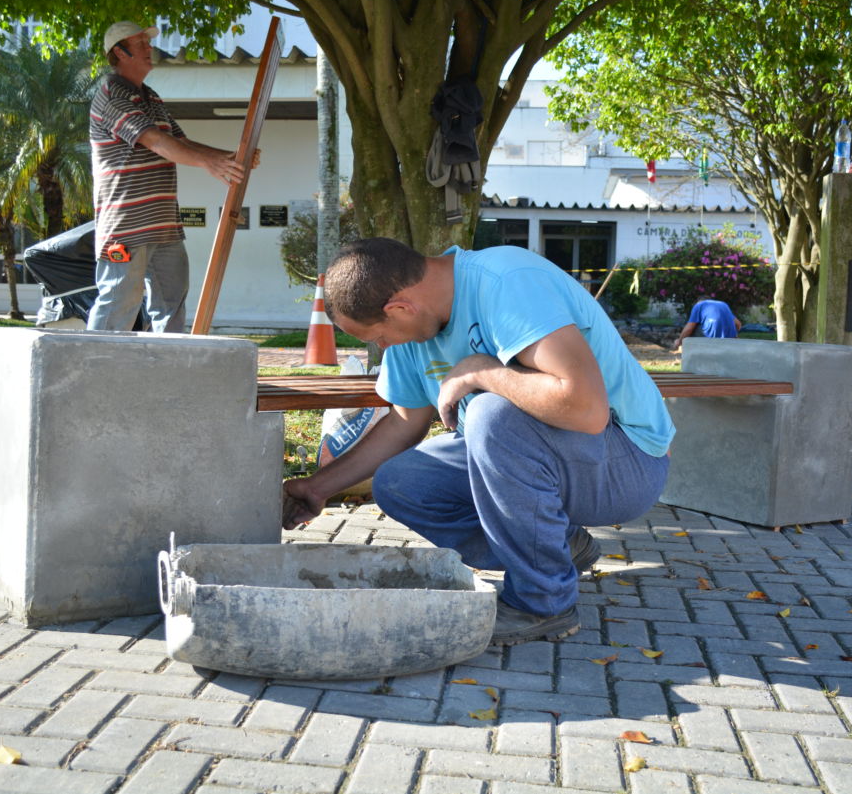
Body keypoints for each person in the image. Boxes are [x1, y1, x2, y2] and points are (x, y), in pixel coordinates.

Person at [282, 238, 675, 646]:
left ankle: (543, 602)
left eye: (378, 336)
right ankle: (558, 547)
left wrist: (483, 371)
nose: (382, 346)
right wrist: (317, 488)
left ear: (399, 308)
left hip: (626, 459)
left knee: (491, 414)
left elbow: (587, 410)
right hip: (546, 458)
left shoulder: (506, 281)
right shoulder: (414, 331)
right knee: (401, 482)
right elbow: (403, 423)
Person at [87, 21, 258, 333]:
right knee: (118, 302)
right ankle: (91, 375)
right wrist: (213, 162)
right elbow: (156, 141)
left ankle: (167, 372)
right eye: (140, 43)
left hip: (164, 225)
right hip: (126, 226)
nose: (149, 48)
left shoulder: (150, 97)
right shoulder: (111, 95)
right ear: (119, 52)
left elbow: (181, 142)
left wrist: (229, 158)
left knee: (171, 306)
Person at [672, 297, 741, 349]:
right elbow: (738, 324)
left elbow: (689, 329)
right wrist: (732, 334)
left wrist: (679, 341)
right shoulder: (723, 305)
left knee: (694, 327)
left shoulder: (699, 305)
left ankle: (695, 353)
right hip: (729, 339)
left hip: (710, 340)